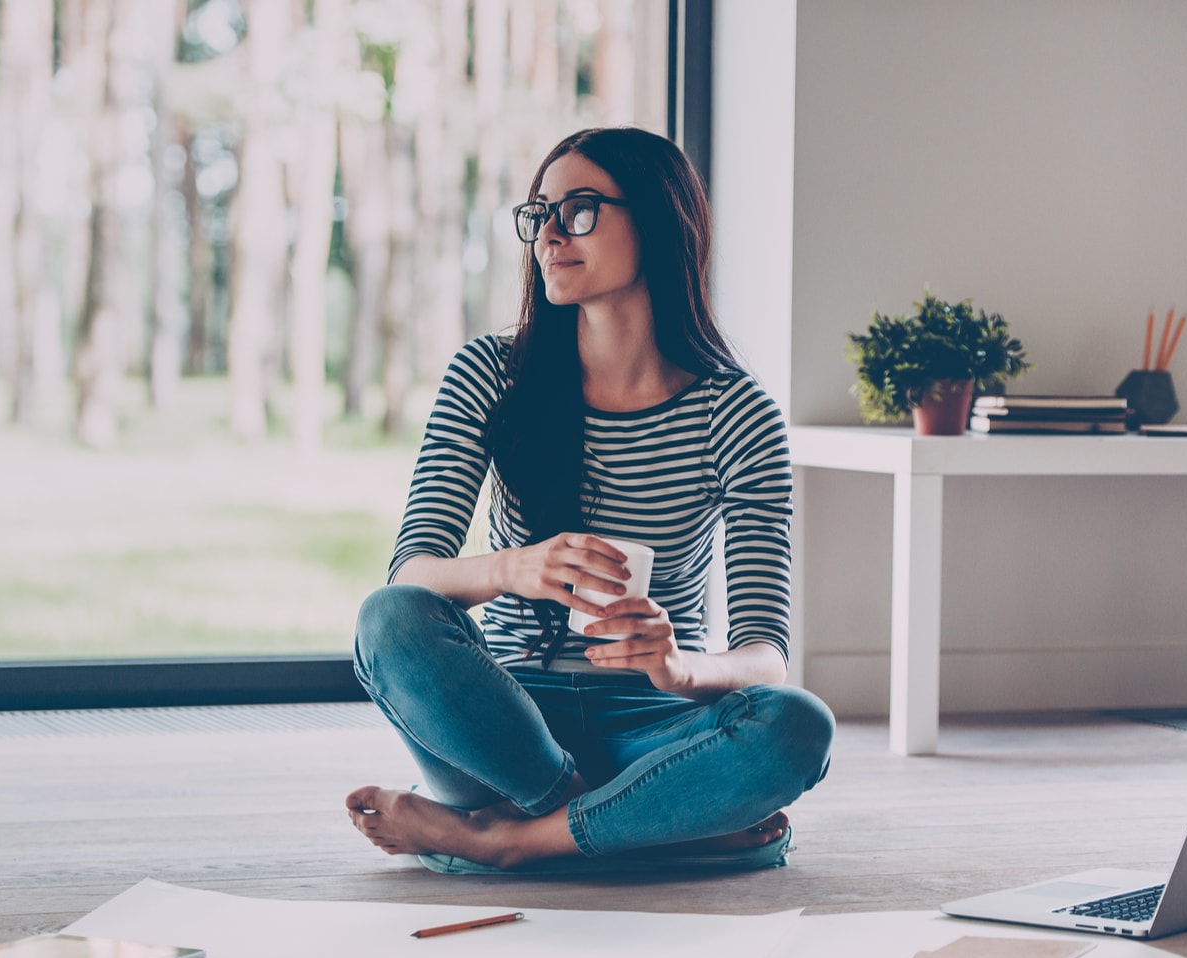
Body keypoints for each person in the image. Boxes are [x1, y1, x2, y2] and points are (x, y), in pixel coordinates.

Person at [345, 126, 834, 872]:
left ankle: (503, 838)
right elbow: (412, 575)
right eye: (537, 213)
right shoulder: (489, 374)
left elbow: (766, 658)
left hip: (655, 718)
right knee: (387, 620)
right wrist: (511, 569)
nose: (547, 235)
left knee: (799, 725)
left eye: (577, 210)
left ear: (660, 219)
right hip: (502, 725)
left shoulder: (735, 410)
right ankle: (627, 817)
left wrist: (678, 669)